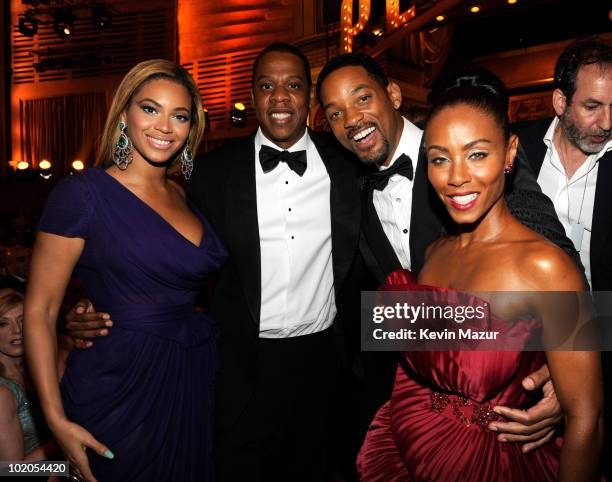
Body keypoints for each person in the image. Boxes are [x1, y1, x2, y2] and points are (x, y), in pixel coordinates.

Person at [64, 44, 362, 481]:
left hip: (323, 362)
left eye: (293, 85)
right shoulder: (208, 175)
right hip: (236, 367)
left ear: (310, 96)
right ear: (253, 95)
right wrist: (85, 306)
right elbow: (150, 248)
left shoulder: (348, 164)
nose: (280, 97)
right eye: (267, 86)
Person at [317, 53, 578, 452]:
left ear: (393, 94)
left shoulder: (477, 151)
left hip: (508, 411)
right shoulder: (349, 186)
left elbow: (561, 263)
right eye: (335, 113)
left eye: (362, 99)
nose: (351, 119)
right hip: (418, 406)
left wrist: (565, 377)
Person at [357, 69, 603, 481]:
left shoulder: (546, 267)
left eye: (476, 154)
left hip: (496, 463)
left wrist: (555, 379)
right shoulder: (433, 255)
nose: (456, 177)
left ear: (509, 154)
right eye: (439, 158)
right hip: (411, 449)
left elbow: (588, 421)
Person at [24, 59, 227, 482]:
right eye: (150, 109)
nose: (164, 126)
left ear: (192, 128)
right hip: (119, 382)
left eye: (180, 115)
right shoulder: (83, 194)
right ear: (124, 115)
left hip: (189, 376)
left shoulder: (185, 193)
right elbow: (40, 310)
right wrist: (54, 419)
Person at [512, 37, 612, 477]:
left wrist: (573, 373)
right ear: (559, 100)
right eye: (592, 106)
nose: (607, 122)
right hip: (515, 357)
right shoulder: (514, 154)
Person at [0, 288, 57, 461]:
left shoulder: (45, 368)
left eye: (22, 320)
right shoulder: (2, 393)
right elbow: (10, 472)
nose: (17, 330)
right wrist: (61, 445)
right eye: (3, 323)